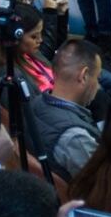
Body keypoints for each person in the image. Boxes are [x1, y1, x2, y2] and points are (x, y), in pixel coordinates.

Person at [5, 0, 111, 96]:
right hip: (51, 71)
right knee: (101, 93)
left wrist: (61, 15)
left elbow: (58, 43)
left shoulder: (35, 5)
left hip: (59, 62)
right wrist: (49, 13)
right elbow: (44, 53)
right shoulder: (15, 17)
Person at [23, 39, 103, 181]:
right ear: (83, 75)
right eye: (97, 78)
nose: (98, 87)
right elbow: (103, 188)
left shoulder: (35, 103)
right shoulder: (76, 138)